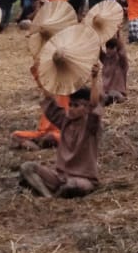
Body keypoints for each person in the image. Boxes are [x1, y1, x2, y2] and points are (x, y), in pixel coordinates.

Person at [19, 64, 105, 198]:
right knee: (27, 167)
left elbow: (95, 105)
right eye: (70, 104)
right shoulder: (65, 120)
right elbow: (50, 101)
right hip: (60, 177)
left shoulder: (91, 126)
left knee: (72, 186)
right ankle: (48, 196)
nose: (70, 108)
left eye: (76, 106)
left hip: (83, 179)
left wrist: (94, 78)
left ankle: (55, 193)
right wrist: (43, 75)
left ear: (86, 108)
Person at [10, 64, 64, 150]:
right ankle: (38, 146)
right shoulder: (51, 86)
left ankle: (36, 145)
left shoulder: (72, 90)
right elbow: (42, 83)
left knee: (51, 137)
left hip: (60, 134)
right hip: (42, 133)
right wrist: (37, 62)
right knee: (15, 135)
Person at [99, 29, 129, 105]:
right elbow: (98, 49)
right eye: (107, 48)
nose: (108, 50)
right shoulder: (106, 59)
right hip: (106, 92)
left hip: (117, 92)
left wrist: (118, 32)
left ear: (116, 49)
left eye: (111, 48)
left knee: (112, 94)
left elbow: (122, 50)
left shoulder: (121, 63)